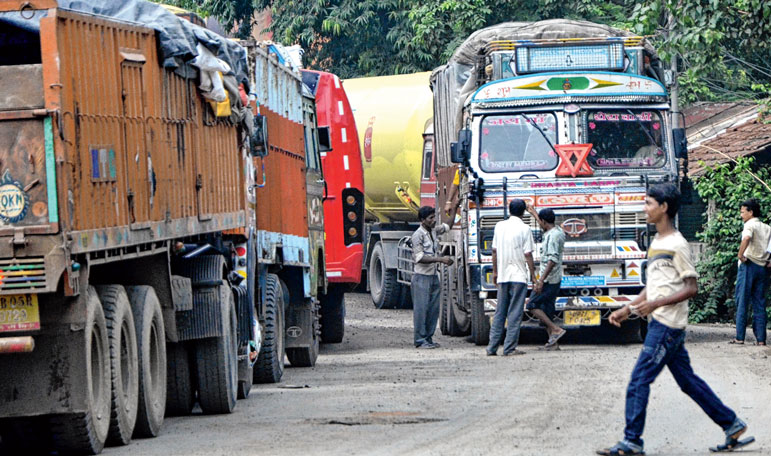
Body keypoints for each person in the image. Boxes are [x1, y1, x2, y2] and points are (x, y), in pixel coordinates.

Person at [598, 183, 751, 456]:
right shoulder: (657, 242)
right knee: (688, 382)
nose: (644, 208)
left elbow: (691, 288)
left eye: (648, 203)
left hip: (668, 326)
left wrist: (654, 305)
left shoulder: (678, 244)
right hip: (662, 323)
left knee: (639, 380)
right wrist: (628, 308)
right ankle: (731, 423)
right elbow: (654, 285)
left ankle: (632, 441)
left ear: (664, 207)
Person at [487, 199, 536, 356]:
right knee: (515, 313)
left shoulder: (499, 226)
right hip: (519, 276)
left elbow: (494, 251)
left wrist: (495, 272)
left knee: (500, 312)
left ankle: (492, 347)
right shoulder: (525, 228)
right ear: (523, 212)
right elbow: (528, 254)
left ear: (509, 210)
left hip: (503, 275)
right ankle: (509, 348)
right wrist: (533, 275)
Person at [411, 206, 453, 349]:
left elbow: (448, 226)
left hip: (433, 276)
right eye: (430, 218)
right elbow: (419, 257)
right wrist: (440, 260)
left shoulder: (433, 231)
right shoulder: (417, 235)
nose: (434, 220)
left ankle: (428, 338)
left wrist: (456, 208)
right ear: (422, 220)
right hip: (421, 277)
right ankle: (420, 340)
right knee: (421, 310)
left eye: (434, 217)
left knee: (433, 310)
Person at [729, 199, 770, 346]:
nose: (741, 215)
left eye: (742, 212)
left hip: (748, 265)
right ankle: (761, 340)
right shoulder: (767, 227)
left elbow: (746, 238)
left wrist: (740, 255)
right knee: (759, 303)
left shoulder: (749, 225)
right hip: (763, 267)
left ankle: (740, 337)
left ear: (750, 212)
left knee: (742, 300)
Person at [525, 204, 566, 349]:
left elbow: (552, 259)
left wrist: (541, 280)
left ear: (544, 221)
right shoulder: (556, 231)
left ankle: (556, 329)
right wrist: (534, 213)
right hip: (553, 279)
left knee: (531, 305)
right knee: (547, 310)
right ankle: (553, 343)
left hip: (549, 279)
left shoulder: (553, 237)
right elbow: (544, 225)